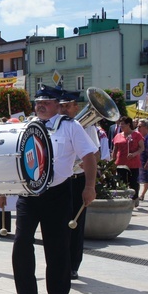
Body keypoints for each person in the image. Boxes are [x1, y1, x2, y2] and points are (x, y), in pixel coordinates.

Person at [12, 85, 97, 294]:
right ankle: (26, 293)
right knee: (21, 242)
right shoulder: (27, 126)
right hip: (28, 194)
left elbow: (89, 156)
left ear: (58, 105)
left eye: (46, 102)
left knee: (57, 245)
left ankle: (59, 293)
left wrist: (89, 186)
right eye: (38, 101)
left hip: (58, 193)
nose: (40, 105)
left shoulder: (71, 126)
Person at [59, 92, 100, 280]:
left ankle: (73, 265)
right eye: (62, 106)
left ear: (76, 107)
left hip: (77, 179)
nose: (65, 109)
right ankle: (60, 264)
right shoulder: (56, 126)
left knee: (76, 223)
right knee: (59, 225)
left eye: (68, 105)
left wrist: (89, 183)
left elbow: (95, 155)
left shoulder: (87, 127)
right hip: (60, 180)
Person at [111, 116, 144, 203]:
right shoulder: (118, 136)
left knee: (133, 181)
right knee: (122, 181)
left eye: (123, 124)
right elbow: (115, 150)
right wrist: (112, 162)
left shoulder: (136, 135)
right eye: (120, 124)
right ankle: (125, 198)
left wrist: (134, 154)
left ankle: (135, 198)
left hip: (133, 163)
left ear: (128, 124)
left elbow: (142, 148)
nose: (121, 126)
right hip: (121, 162)